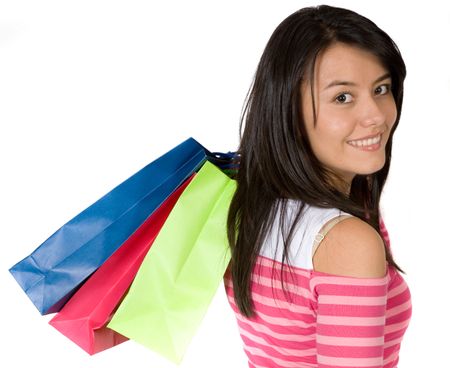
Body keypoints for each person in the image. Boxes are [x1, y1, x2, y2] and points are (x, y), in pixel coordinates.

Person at [224, 5, 412, 368]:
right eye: (343, 97)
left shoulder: (244, 203)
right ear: (288, 111)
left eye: (381, 88)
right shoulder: (347, 240)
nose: (375, 115)